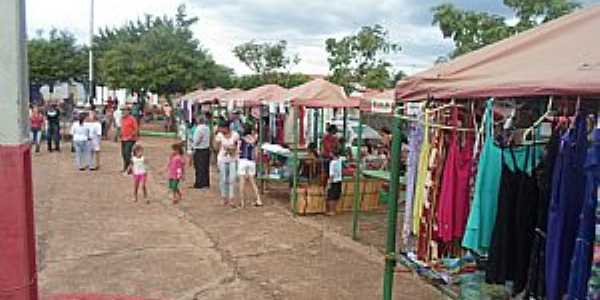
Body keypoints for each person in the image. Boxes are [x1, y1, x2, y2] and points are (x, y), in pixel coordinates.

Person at [214, 121, 240, 207]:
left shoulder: (235, 135)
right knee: (223, 179)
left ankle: (231, 198)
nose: (220, 130)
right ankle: (224, 197)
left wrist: (232, 149)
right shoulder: (219, 136)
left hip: (232, 158)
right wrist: (217, 142)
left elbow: (237, 146)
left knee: (232, 179)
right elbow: (216, 148)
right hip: (222, 159)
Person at [238, 125, 263, 207]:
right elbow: (256, 152)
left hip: (242, 160)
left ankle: (242, 202)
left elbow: (238, 150)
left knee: (242, 181)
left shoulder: (241, 139)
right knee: (253, 182)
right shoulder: (254, 140)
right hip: (251, 161)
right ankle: (258, 199)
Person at [192, 115, 211, 189]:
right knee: (205, 167)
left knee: (199, 167)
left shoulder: (199, 129)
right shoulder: (207, 128)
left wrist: (194, 145)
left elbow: (198, 139)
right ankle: (206, 183)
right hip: (206, 148)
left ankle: (199, 183)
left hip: (200, 149)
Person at [120, 106, 139, 174]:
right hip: (123, 138)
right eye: (122, 110)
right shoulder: (122, 119)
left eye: (124, 110)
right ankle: (126, 167)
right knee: (123, 154)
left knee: (127, 153)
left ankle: (129, 168)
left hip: (130, 139)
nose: (123, 112)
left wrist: (131, 136)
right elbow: (122, 128)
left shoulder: (132, 119)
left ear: (128, 111)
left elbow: (136, 129)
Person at [326, 147, 344, 216]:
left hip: (334, 181)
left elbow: (331, 175)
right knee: (336, 196)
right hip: (339, 180)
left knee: (331, 197)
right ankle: (334, 210)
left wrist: (329, 183)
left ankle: (331, 211)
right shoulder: (340, 160)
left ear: (332, 154)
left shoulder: (332, 163)